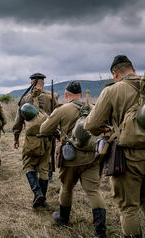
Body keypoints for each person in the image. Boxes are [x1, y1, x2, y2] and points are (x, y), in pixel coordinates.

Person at [85, 55, 145, 238]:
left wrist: (109, 128)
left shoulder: (112, 90)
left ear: (115, 74)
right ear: (133, 69)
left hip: (129, 158)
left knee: (129, 208)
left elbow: (91, 125)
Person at [40, 81, 106, 238]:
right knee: (94, 191)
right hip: (92, 157)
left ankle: (63, 218)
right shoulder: (93, 108)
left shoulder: (62, 109)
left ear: (66, 95)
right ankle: (101, 230)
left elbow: (44, 129)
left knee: (66, 187)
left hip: (71, 158)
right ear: (81, 94)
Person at [13, 73, 57, 208]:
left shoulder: (25, 99)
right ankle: (42, 199)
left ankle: (37, 193)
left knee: (28, 165)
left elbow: (18, 121)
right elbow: (57, 116)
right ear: (43, 83)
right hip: (47, 138)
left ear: (31, 83)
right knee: (44, 168)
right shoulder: (52, 97)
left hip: (31, 138)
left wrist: (16, 137)